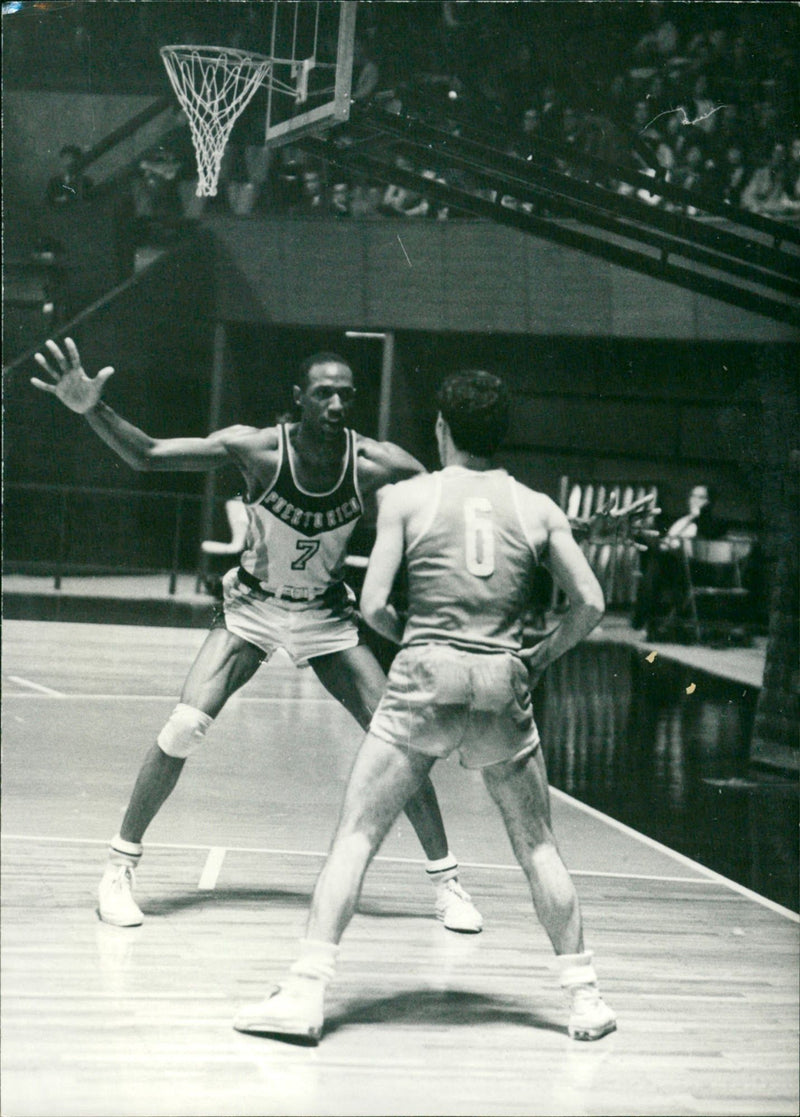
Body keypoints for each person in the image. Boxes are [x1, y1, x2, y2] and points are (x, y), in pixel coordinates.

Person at [30, 339, 483, 936]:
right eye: (324, 393)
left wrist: (561, 528)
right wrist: (92, 408)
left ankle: (448, 885)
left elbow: (463, 502)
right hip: (252, 609)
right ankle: (117, 868)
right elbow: (151, 454)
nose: (338, 403)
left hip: (326, 617)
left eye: (348, 394)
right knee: (185, 726)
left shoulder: (378, 463)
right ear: (299, 399)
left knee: (399, 741)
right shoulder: (259, 449)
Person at [233, 371, 616, 1044]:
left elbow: (375, 602)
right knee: (537, 845)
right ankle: (585, 998)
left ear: (441, 428)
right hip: (503, 678)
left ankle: (304, 993)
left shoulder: (408, 497)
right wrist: (538, 657)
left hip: (425, 672)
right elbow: (592, 604)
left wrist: (420, 644)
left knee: (356, 836)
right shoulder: (538, 506)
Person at [632, 483, 727, 636]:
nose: (694, 500)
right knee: (653, 561)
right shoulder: (682, 519)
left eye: (700, 497)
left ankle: (642, 621)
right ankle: (646, 621)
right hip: (672, 565)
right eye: (693, 495)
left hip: (694, 569)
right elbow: (670, 536)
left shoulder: (712, 523)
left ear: (708, 502)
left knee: (654, 565)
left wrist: (698, 517)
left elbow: (707, 538)